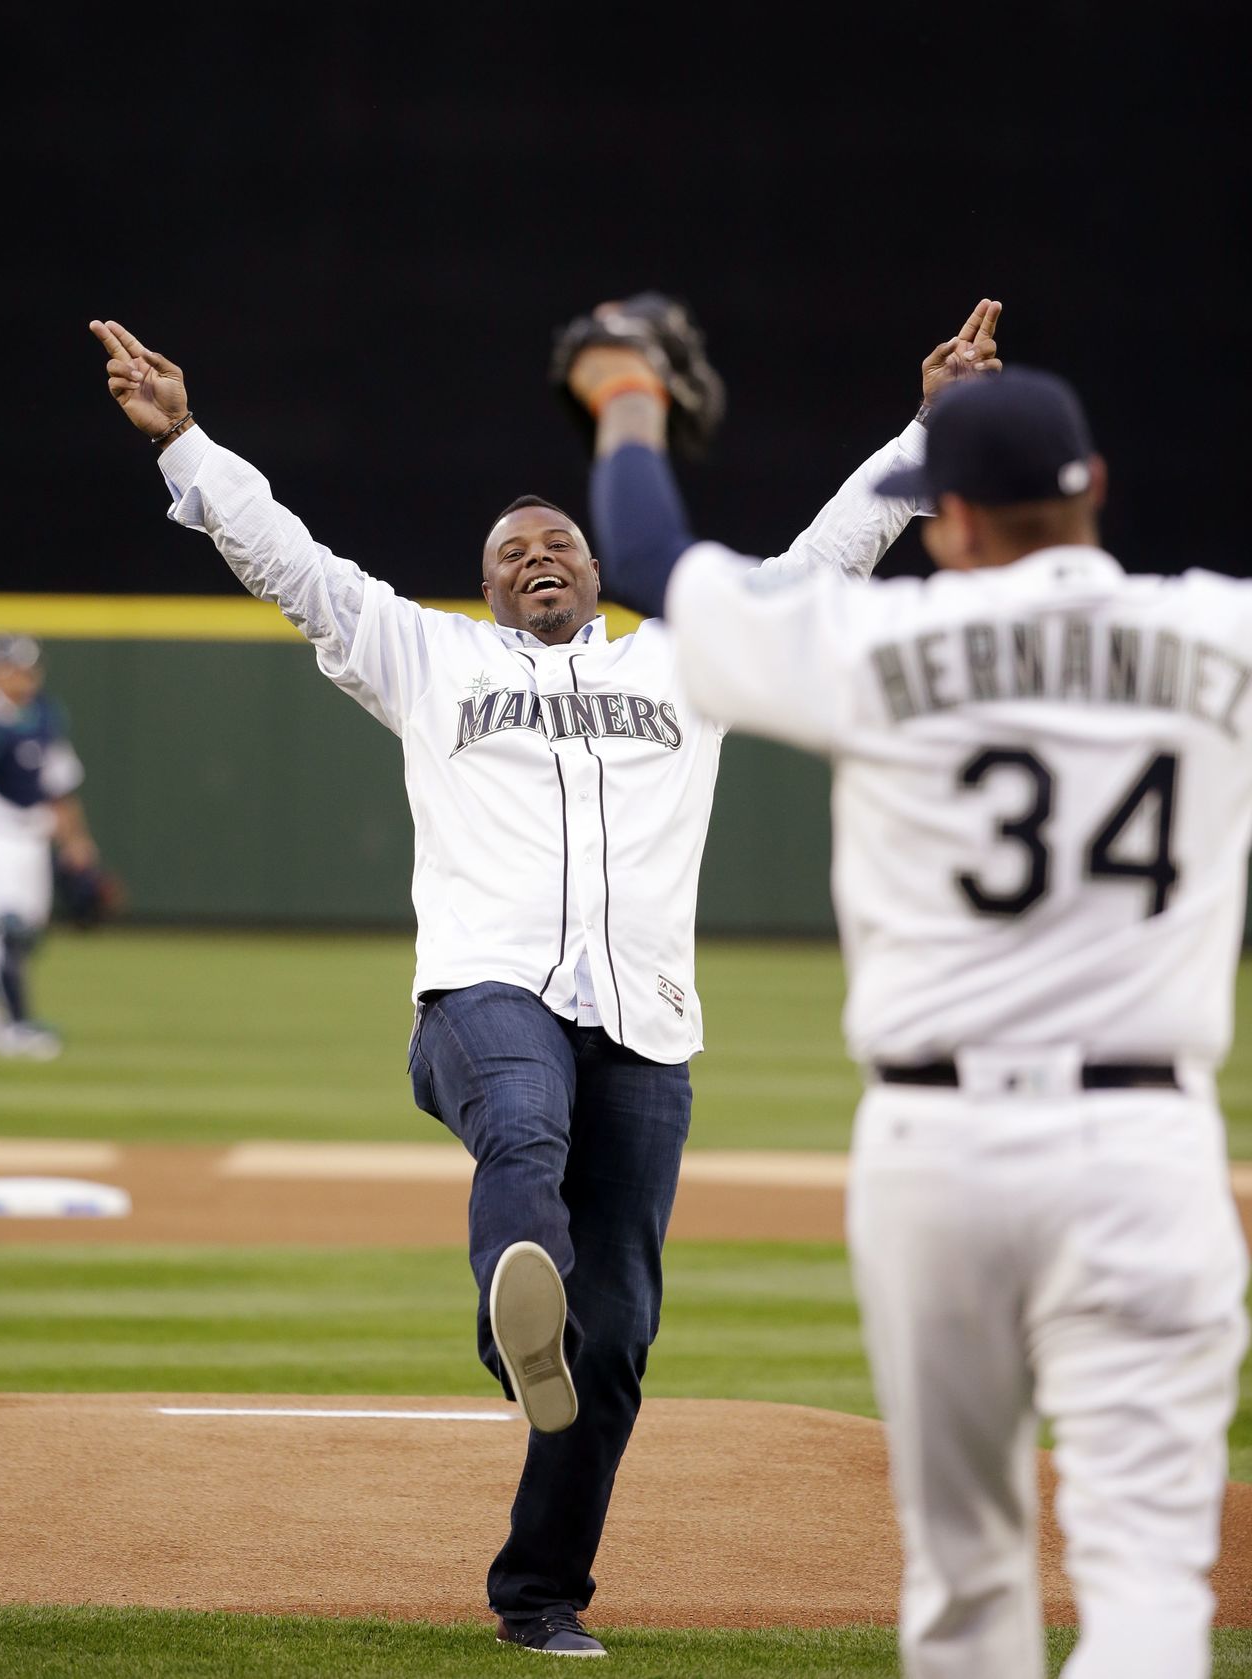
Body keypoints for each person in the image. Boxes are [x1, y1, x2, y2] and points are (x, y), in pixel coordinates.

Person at [87, 302, 1000, 1657]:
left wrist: (928, 430)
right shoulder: (428, 655)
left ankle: (539, 1590)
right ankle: (513, 1289)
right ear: (489, 586)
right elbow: (290, 562)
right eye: (512, 550)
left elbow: (825, 563)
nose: (538, 555)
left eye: (559, 540)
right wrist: (187, 446)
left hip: (645, 1019)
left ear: (595, 567)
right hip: (484, 996)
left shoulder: (680, 661)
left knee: (617, 1334)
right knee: (522, 1121)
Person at [570, 349, 1251, 1678]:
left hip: (934, 1155)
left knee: (964, 1570)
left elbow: (650, 552)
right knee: (1149, 1579)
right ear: (1095, 484)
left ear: (948, 520)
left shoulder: (881, 639)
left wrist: (625, 395)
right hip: (1143, 1149)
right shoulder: (1219, 629)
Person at [0, 634, 101, 1059]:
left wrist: (76, 840)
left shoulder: (44, 715)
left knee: (23, 935)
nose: (25, 677)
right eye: (15, 668)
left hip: (31, 837)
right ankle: (16, 1027)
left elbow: (60, 786)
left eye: (30, 668)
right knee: (7, 927)